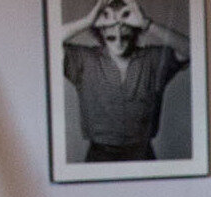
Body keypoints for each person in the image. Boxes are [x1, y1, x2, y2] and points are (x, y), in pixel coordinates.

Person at [59, 0, 190, 164]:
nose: (119, 43)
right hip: (99, 156)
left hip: (142, 155)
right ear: (101, 33)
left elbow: (192, 49)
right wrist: (87, 21)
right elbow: (47, 44)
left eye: (125, 37)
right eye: (111, 37)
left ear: (135, 32)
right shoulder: (83, 60)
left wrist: (147, 24)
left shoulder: (152, 60)